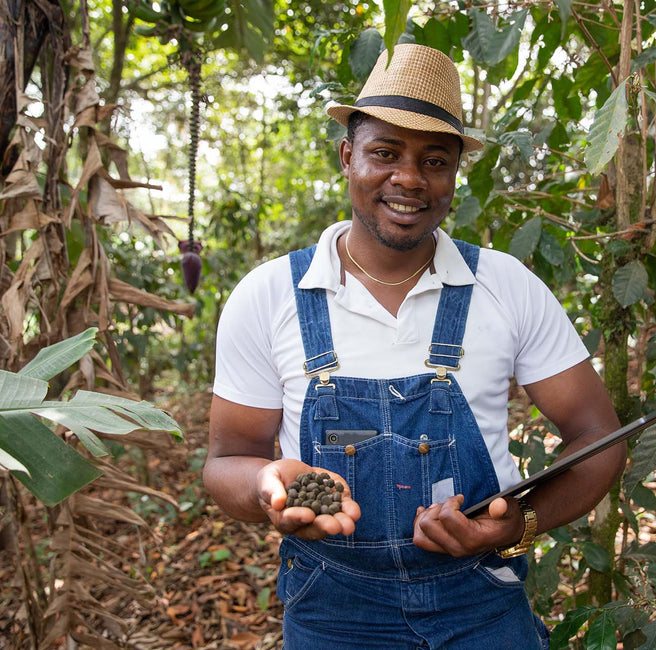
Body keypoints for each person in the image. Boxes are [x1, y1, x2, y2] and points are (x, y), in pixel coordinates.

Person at [204, 43, 625, 649]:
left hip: (482, 601)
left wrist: (513, 528)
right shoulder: (269, 295)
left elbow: (597, 437)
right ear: (347, 156)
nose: (408, 179)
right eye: (384, 153)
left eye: (434, 161)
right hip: (331, 611)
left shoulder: (505, 287)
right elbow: (226, 460)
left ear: (455, 173)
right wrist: (271, 482)